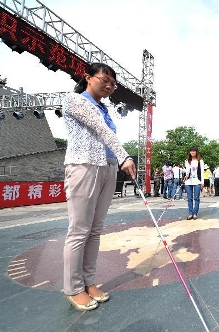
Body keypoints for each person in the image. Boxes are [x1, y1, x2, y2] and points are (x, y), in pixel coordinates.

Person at [62, 63, 136, 311]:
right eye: (104, 80)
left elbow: (107, 132)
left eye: (112, 84)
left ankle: (88, 282)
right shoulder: (75, 101)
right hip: (84, 166)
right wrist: (126, 156)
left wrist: (118, 159)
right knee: (79, 231)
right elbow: (101, 130)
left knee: (95, 230)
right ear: (88, 78)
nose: (109, 86)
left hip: (107, 167)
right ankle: (73, 288)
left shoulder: (104, 108)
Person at [184, 146, 205, 220]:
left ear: (196, 152)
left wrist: (202, 182)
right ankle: (190, 213)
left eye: (194, 151)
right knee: (189, 198)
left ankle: (195, 213)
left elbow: (202, 172)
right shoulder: (187, 161)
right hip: (189, 181)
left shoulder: (200, 161)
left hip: (197, 181)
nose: (192, 152)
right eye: (191, 151)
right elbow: (187, 171)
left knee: (196, 198)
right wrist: (186, 175)